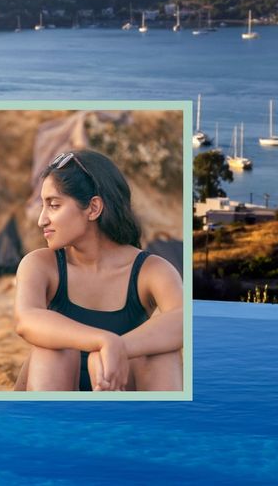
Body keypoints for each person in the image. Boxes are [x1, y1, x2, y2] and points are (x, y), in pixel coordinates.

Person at [13, 149, 183, 391]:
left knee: (161, 354)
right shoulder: (41, 265)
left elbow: (184, 319)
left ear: (93, 208)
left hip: (119, 393)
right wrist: (104, 341)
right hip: (55, 393)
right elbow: (26, 320)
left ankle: (156, 427)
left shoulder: (151, 270)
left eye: (53, 205)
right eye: (44, 206)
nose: (42, 219)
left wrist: (120, 348)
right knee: (52, 351)